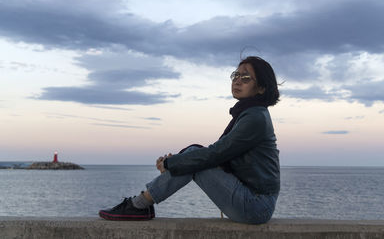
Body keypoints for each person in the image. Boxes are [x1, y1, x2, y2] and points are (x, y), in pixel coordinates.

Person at [99, 56, 281, 224]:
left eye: (246, 78)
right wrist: (177, 162)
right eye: (236, 75)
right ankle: (140, 204)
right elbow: (220, 154)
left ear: (261, 88)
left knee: (194, 157)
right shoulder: (249, 113)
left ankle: (138, 205)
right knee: (193, 154)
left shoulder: (255, 117)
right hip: (251, 199)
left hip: (256, 205)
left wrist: (172, 163)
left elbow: (217, 153)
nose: (237, 80)